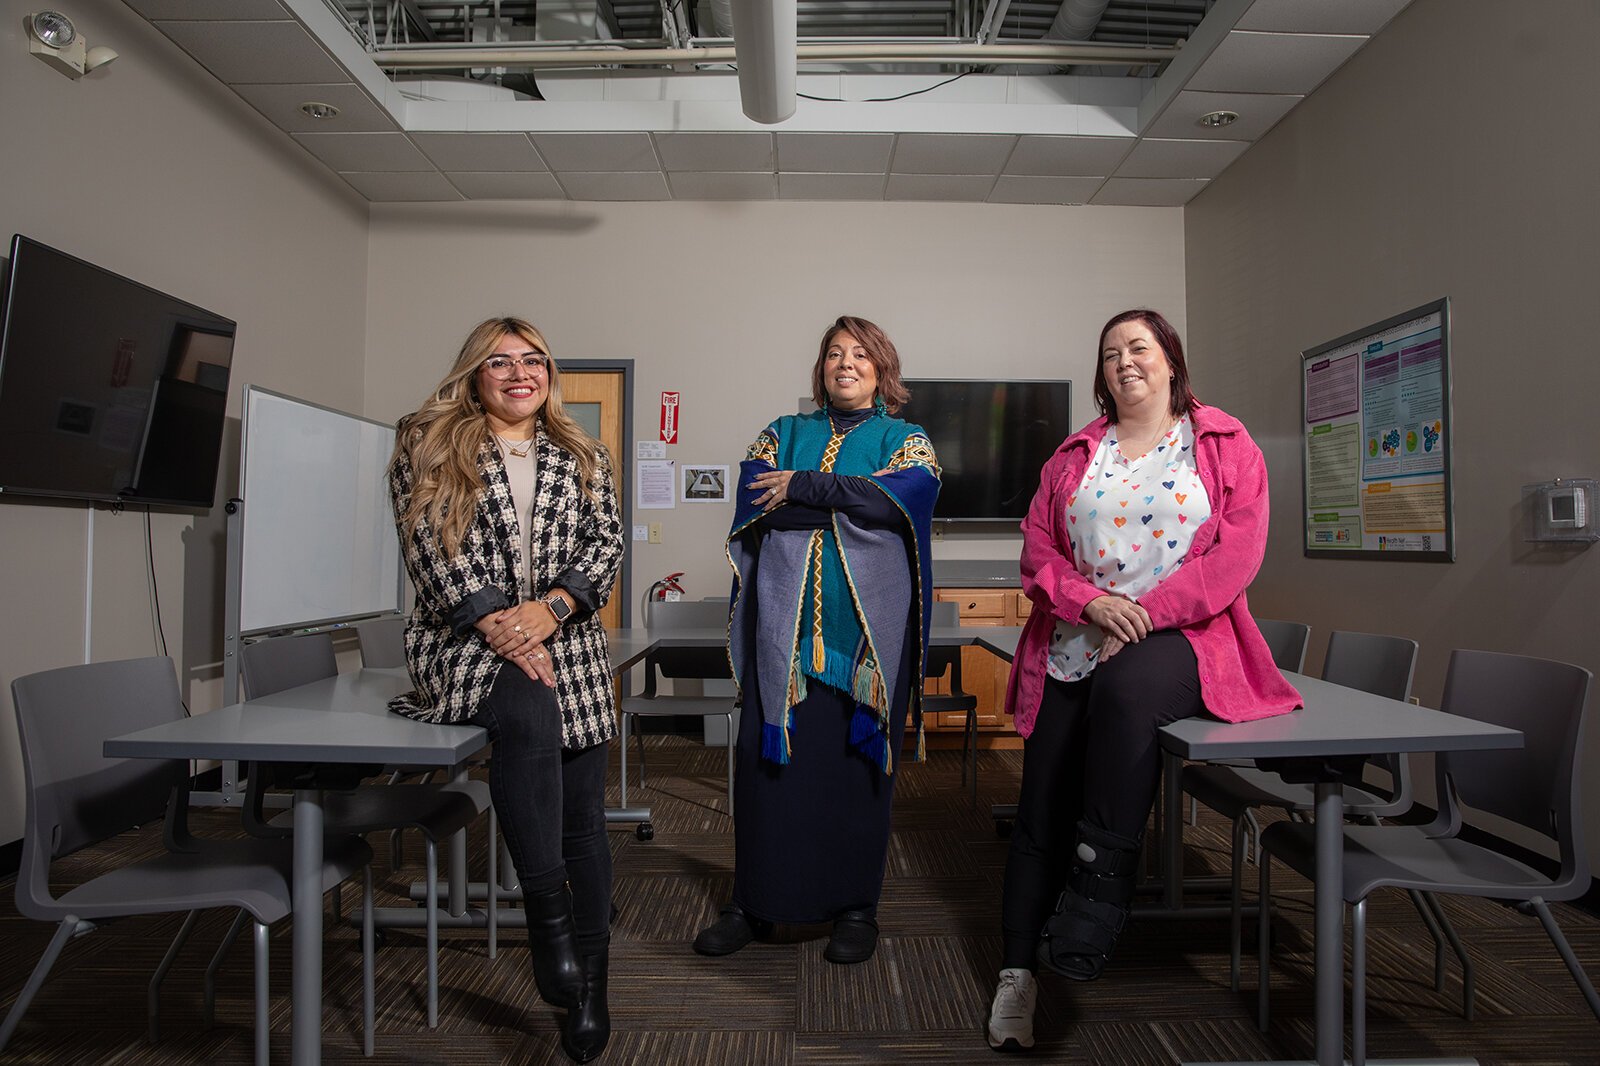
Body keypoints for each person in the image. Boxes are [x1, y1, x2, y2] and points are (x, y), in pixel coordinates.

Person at [985, 309, 1302, 1052]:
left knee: (1126, 690)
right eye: (1110, 354)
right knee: (1039, 812)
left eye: (1139, 348)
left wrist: (1142, 615)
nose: (1124, 361)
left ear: (1169, 360)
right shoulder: (1071, 457)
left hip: (1181, 635)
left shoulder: (1224, 443)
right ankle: (1015, 976)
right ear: (1101, 375)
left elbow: (1234, 558)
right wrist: (1090, 601)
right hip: (1071, 640)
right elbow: (1037, 551)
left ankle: (1099, 893)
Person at [387, 316, 624, 1063]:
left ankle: (591, 984)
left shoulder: (583, 452)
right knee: (524, 713)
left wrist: (548, 610)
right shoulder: (425, 443)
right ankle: (548, 925)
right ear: (473, 374)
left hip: (569, 643)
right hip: (464, 642)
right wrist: (501, 626)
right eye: (500, 361)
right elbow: (429, 543)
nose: (520, 373)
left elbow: (606, 542)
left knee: (583, 816)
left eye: (534, 361)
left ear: (549, 374)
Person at [693, 315, 941, 965]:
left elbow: (901, 504)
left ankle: (856, 906)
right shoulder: (783, 431)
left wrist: (803, 488)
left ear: (882, 368)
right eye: (834, 353)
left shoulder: (906, 439)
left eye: (860, 354)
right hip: (784, 642)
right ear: (820, 369)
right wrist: (853, 501)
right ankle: (751, 903)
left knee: (855, 778)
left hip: (864, 649)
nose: (845, 363)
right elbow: (754, 499)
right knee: (767, 772)